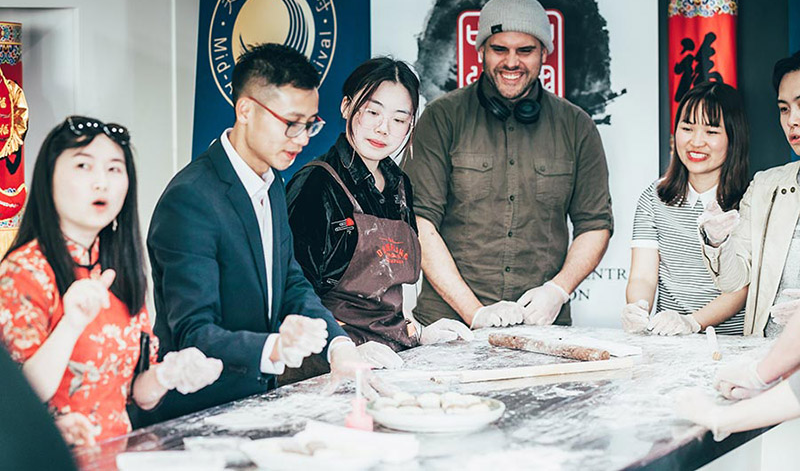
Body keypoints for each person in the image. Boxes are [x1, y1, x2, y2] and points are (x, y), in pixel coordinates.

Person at [147, 43, 365, 421]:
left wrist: (338, 344)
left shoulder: (271, 182)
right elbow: (193, 333)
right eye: (291, 123)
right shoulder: (191, 199)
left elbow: (290, 281)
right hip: (197, 412)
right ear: (245, 110)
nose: (302, 138)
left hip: (256, 401)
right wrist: (275, 349)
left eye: (311, 124)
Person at [0, 117, 222, 445]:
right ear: (48, 179)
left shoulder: (119, 267)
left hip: (115, 456)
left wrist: (168, 374)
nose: (101, 182)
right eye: (83, 166)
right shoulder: (24, 271)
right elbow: (16, 399)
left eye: (114, 169)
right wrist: (71, 324)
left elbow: (137, 394)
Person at [404, 0, 613, 329]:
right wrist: (474, 312)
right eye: (499, 49)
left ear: (545, 52)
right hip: (449, 326)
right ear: (481, 51)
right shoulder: (441, 117)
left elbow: (595, 225)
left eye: (525, 50)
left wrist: (557, 291)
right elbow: (418, 222)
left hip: (542, 328)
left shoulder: (578, 126)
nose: (511, 62)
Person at [287, 57, 473, 371]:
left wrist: (417, 334)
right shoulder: (315, 184)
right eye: (372, 112)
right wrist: (341, 347)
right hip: (325, 363)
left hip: (390, 358)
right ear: (346, 107)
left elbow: (384, 301)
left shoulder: (400, 186)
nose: (383, 128)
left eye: (399, 119)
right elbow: (290, 295)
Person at [695, 51, 800, 402]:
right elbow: (734, 281)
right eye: (784, 109)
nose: (792, 121)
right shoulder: (768, 185)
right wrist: (716, 240)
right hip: (763, 368)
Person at [622, 82, 749, 336]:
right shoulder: (654, 197)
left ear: (734, 137)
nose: (696, 141)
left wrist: (692, 322)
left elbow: (741, 289)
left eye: (711, 132)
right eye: (687, 128)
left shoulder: (751, 198)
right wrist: (638, 308)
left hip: (733, 345)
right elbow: (643, 276)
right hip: (669, 342)